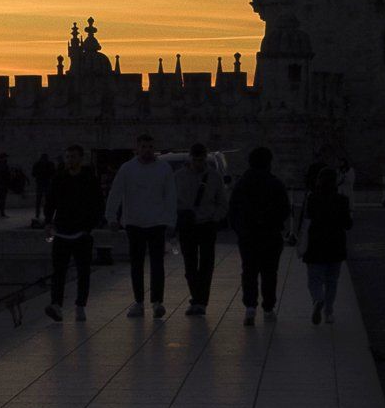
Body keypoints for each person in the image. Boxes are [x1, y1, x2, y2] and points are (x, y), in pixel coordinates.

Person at [105, 133, 177, 318]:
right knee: (136, 264)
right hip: (134, 223)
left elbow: (170, 196)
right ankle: (139, 301)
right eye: (143, 147)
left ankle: (157, 301)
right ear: (137, 148)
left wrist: (171, 221)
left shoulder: (164, 168)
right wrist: (111, 217)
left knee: (157, 264)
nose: (147, 150)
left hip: (157, 222)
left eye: (150, 147)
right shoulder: (127, 169)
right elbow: (116, 192)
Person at [229, 146, 292, 326]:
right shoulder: (275, 183)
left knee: (249, 271)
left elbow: (233, 209)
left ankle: (250, 306)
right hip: (270, 235)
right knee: (269, 272)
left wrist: (240, 229)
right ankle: (268, 307)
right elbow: (285, 209)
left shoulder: (242, 184)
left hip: (248, 235)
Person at [42, 144, 101, 320]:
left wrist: (89, 226)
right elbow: (50, 202)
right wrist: (48, 222)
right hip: (61, 231)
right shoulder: (59, 178)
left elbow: (98, 203)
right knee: (58, 271)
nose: (70, 160)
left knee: (83, 271)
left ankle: (80, 305)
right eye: (67, 157)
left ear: (80, 158)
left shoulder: (89, 179)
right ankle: (56, 304)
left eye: (73, 157)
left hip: (82, 233)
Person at [176, 143, 230, 316]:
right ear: (190, 158)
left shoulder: (213, 176)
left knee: (206, 265)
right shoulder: (179, 176)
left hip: (207, 224)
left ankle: (200, 301)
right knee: (190, 265)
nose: (198, 163)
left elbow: (222, 202)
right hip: (187, 225)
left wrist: (215, 218)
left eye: (201, 160)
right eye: (196, 160)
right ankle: (197, 297)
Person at [301, 165, 352, 324]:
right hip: (336, 245)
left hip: (315, 244)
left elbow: (305, 221)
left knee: (314, 279)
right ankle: (328, 312)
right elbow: (348, 224)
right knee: (332, 281)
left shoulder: (312, 199)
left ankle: (318, 298)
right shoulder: (342, 200)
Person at [30, 152, 57, 228]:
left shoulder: (37, 164)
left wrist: (39, 176)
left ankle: (38, 214)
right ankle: (47, 214)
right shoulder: (50, 164)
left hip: (40, 183)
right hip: (46, 183)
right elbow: (53, 173)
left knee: (39, 200)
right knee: (47, 200)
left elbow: (33, 173)